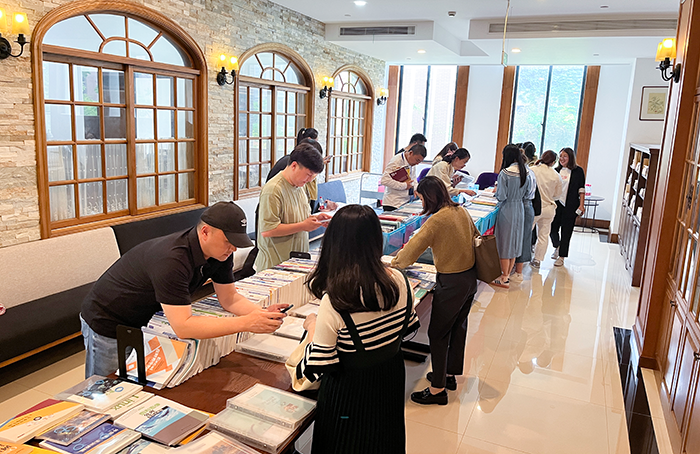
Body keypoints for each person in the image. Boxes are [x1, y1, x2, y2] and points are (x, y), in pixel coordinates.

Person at [80, 202, 288, 377]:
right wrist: (246, 323)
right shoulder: (173, 259)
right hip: (108, 318)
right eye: (228, 242)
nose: (233, 248)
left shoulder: (220, 254)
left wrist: (261, 314)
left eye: (236, 243)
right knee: (104, 389)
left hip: (147, 318)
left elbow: (229, 298)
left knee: (138, 382)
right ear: (205, 232)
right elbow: (183, 325)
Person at [298, 205, 419, 454]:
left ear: (333, 244)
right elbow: (407, 327)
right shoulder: (400, 280)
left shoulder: (336, 300)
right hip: (390, 380)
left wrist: (312, 327)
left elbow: (317, 366)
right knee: (385, 439)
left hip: (349, 395)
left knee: (344, 444)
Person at [391, 176, 478, 405]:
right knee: (457, 328)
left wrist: (393, 264)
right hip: (470, 278)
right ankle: (448, 375)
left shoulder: (436, 220)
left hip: (451, 282)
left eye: (421, 199)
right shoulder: (460, 210)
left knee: (438, 334)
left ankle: (437, 390)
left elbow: (411, 251)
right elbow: (475, 236)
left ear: (429, 198)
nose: (421, 203)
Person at [255, 143, 331, 271]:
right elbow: (267, 230)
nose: (310, 180)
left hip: (296, 261)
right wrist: (303, 226)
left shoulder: (301, 186)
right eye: (308, 174)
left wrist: (316, 219)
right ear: (294, 166)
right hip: (275, 265)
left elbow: (299, 218)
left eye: (313, 176)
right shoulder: (273, 189)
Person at [492, 144, 532, 288]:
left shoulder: (505, 173)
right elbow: (528, 193)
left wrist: (496, 193)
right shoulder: (526, 172)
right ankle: (507, 274)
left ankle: (504, 277)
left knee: (504, 243)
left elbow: (501, 196)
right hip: (520, 209)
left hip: (507, 209)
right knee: (515, 243)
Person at [265, 138, 336, 213]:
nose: (310, 179)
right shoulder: (275, 189)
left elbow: (303, 214)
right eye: (309, 174)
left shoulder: (299, 183)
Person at [550, 147, 586, 267]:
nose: (562, 158)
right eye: (560, 156)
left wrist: (581, 205)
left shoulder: (578, 171)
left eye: (565, 156)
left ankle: (562, 257)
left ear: (570, 157)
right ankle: (557, 246)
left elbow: (581, 189)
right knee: (552, 229)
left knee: (566, 232)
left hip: (571, 206)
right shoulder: (556, 171)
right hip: (556, 205)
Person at [530, 150, 563, 268]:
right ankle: (537, 260)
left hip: (534, 207)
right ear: (553, 162)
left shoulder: (533, 170)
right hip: (549, 208)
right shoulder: (556, 175)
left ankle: (520, 259)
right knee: (543, 235)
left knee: (526, 233)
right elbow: (557, 195)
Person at [511, 147, 538, 282]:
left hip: (522, 205)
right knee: (523, 237)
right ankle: (517, 269)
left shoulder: (521, 173)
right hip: (528, 206)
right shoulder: (530, 171)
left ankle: (518, 271)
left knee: (520, 238)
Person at [381, 144, 427, 211]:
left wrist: (416, 189)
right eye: (417, 160)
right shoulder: (396, 161)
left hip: (405, 201)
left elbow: (413, 178)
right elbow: (384, 180)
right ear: (410, 153)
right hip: (392, 203)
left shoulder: (412, 163)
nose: (417, 163)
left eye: (419, 162)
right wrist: (404, 186)